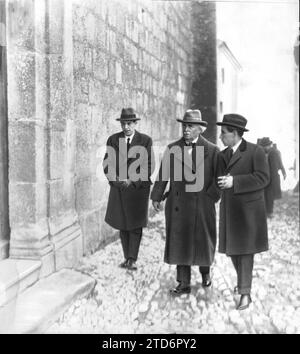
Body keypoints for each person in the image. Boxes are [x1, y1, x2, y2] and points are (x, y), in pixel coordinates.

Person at [151, 109, 220, 296]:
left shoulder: (213, 151)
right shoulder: (172, 149)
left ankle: (205, 274)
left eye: (190, 126)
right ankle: (183, 283)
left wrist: (210, 197)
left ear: (200, 129)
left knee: (204, 241)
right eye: (184, 126)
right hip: (179, 206)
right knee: (180, 242)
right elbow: (163, 175)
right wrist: (157, 195)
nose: (186, 129)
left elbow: (219, 179)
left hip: (202, 207)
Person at [216, 114, 269, 310]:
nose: (221, 136)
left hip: (248, 212)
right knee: (232, 252)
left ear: (235, 134)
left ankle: (245, 293)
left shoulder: (256, 151)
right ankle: (243, 282)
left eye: (224, 133)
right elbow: (218, 179)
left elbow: (263, 178)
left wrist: (235, 182)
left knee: (245, 252)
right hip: (230, 210)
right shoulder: (224, 155)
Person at [103, 108, 154, 271]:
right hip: (119, 189)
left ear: (135, 123)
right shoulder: (113, 140)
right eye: (124, 124)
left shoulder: (145, 140)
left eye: (129, 123)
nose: (126, 127)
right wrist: (116, 180)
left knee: (135, 225)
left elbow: (149, 165)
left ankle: (132, 258)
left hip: (137, 190)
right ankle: (127, 257)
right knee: (122, 224)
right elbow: (107, 164)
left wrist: (132, 180)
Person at [259, 137, 286, 217]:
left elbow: (278, 164)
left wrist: (283, 172)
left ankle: (269, 212)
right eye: (263, 146)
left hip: (272, 178)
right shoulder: (265, 153)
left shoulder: (274, 153)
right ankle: (266, 211)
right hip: (266, 177)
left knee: (269, 196)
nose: (264, 148)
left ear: (268, 145)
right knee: (265, 195)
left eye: (264, 146)